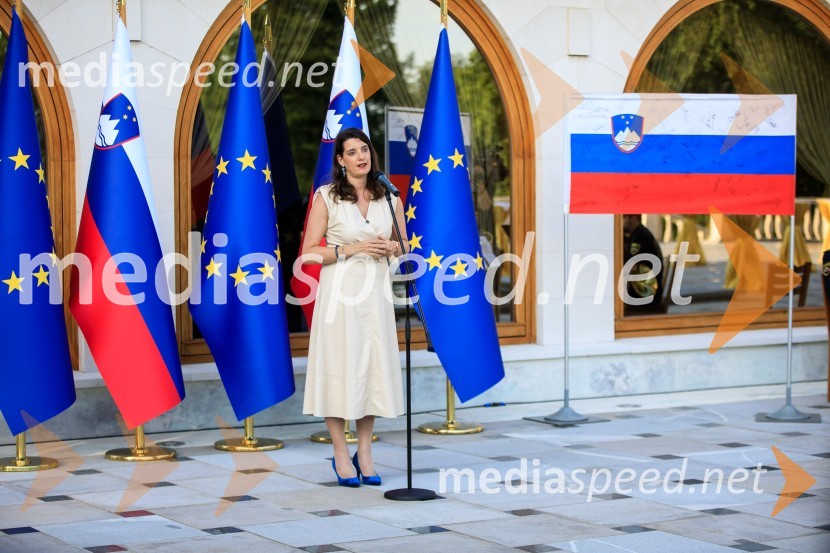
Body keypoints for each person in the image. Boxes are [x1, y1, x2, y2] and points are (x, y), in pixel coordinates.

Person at [301, 128, 407, 487]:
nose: (361, 156)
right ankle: (341, 453)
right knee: (339, 367)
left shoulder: (390, 197)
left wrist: (392, 248)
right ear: (340, 160)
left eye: (365, 149)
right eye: (352, 152)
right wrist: (354, 249)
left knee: (370, 372)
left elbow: (404, 245)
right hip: (340, 294)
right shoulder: (327, 197)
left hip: (375, 296)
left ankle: (365, 453)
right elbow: (309, 253)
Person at [622, 214, 664, 314]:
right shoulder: (639, 234)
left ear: (632, 218)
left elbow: (629, 266)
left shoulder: (640, 237)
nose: (621, 222)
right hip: (646, 293)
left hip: (644, 296)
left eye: (622, 218)